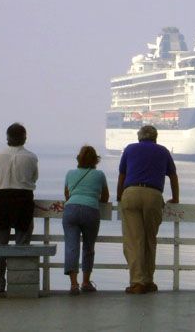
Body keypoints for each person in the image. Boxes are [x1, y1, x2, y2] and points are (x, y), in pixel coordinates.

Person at [117, 125, 179, 294]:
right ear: (155, 137)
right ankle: (149, 281)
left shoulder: (130, 149)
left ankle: (137, 281)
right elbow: (173, 175)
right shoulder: (163, 151)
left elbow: (122, 175)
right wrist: (175, 198)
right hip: (153, 194)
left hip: (131, 193)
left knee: (134, 240)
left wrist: (119, 196)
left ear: (139, 137)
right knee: (150, 240)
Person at [0, 123, 39, 293]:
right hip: (23, 199)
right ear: (24, 137)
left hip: (2, 199)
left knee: (0, 245)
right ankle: (20, 281)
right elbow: (34, 177)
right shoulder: (31, 157)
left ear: (7, 137)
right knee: (22, 244)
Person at [63, 145, 109, 295]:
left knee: (71, 246)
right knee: (89, 247)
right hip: (91, 210)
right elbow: (105, 197)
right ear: (95, 160)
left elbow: (67, 195)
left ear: (78, 159)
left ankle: (73, 284)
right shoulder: (99, 175)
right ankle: (86, 282)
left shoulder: (70, 173)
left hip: (71, 210)